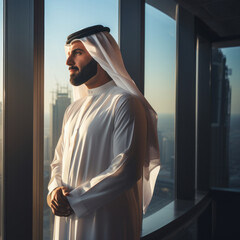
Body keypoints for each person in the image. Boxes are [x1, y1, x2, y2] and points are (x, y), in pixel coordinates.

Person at [47, 25, 161, 240]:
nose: (68, 62)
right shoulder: (73, 109)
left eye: (78, 53)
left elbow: (125, 169)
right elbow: (58, 161)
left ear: (99, 56)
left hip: (107, 218)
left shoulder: (124, 102)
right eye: (69, 54)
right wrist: (54, 190)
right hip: (68, 214)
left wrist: (75, 201)